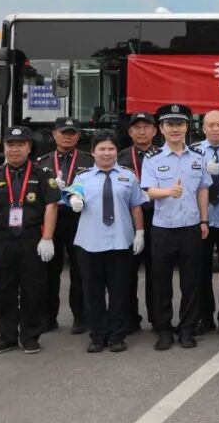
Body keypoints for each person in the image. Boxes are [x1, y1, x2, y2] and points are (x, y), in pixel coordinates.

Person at [0, 126, 60, 355]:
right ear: (4, 147)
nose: (15, 149)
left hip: (31, 239)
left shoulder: (42, 174)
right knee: (1, 290)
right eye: (10, 145)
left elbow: (51, 206)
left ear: (29, 147)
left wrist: (47, 238)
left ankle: (30, 336)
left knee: (34, 289)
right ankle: (7, 337)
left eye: (20, 144)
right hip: (1, 240)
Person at [69, 131, 147, 352]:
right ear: (93, 152)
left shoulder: (128, 176)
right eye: (101, 149)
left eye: (111, 149)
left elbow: (135, 205)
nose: (106, 153)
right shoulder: (82, 177)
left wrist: (140, 232)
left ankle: (117, 336)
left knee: (119, 293)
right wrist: (74, 200)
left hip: (120, 243)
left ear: (117, 152)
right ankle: (97, 335)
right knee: (92, 293)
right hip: (89, 243)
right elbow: (73, 196)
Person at [141, 104, 211, 350]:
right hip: (163, 229)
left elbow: (203, 190)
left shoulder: (198, 157)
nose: (175, 129)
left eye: (179, 124)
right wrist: (168, 192)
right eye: (169, 124)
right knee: (161, 282)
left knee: (191, 282)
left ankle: (187, 328)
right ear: (161, 128)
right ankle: (163, 329)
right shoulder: (152, 159)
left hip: (191, 227)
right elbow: (149, 191)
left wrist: (204, 220)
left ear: (186, 127)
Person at [37, 117, 93, 335]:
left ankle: (81, 317)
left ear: (78, 136)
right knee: (49, 270)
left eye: (72, 133)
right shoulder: (42, 162)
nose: (67, 137)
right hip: (51, 219)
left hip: (80, 219)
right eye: (63, 132)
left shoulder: (89, 161)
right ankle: (47, 317)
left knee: (80, 270)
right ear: (54, 134)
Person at [118, 110, 159, 334]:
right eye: (137, 128)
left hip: (156, 220)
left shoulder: (163, 155)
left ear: (155, 131)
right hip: (127, 220)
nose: (142, 131)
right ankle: (129, 319)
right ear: (130, 132)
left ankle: (157, 319)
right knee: (126, 273)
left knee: (157, 273)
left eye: (146, 127)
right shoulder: (119, 157)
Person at [195, 109, 219, 335]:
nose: (216, 129)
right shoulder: (193, 152)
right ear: (203, 128)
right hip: (203, 220)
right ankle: (204, 316)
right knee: (200, 271)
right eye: (211, 125)